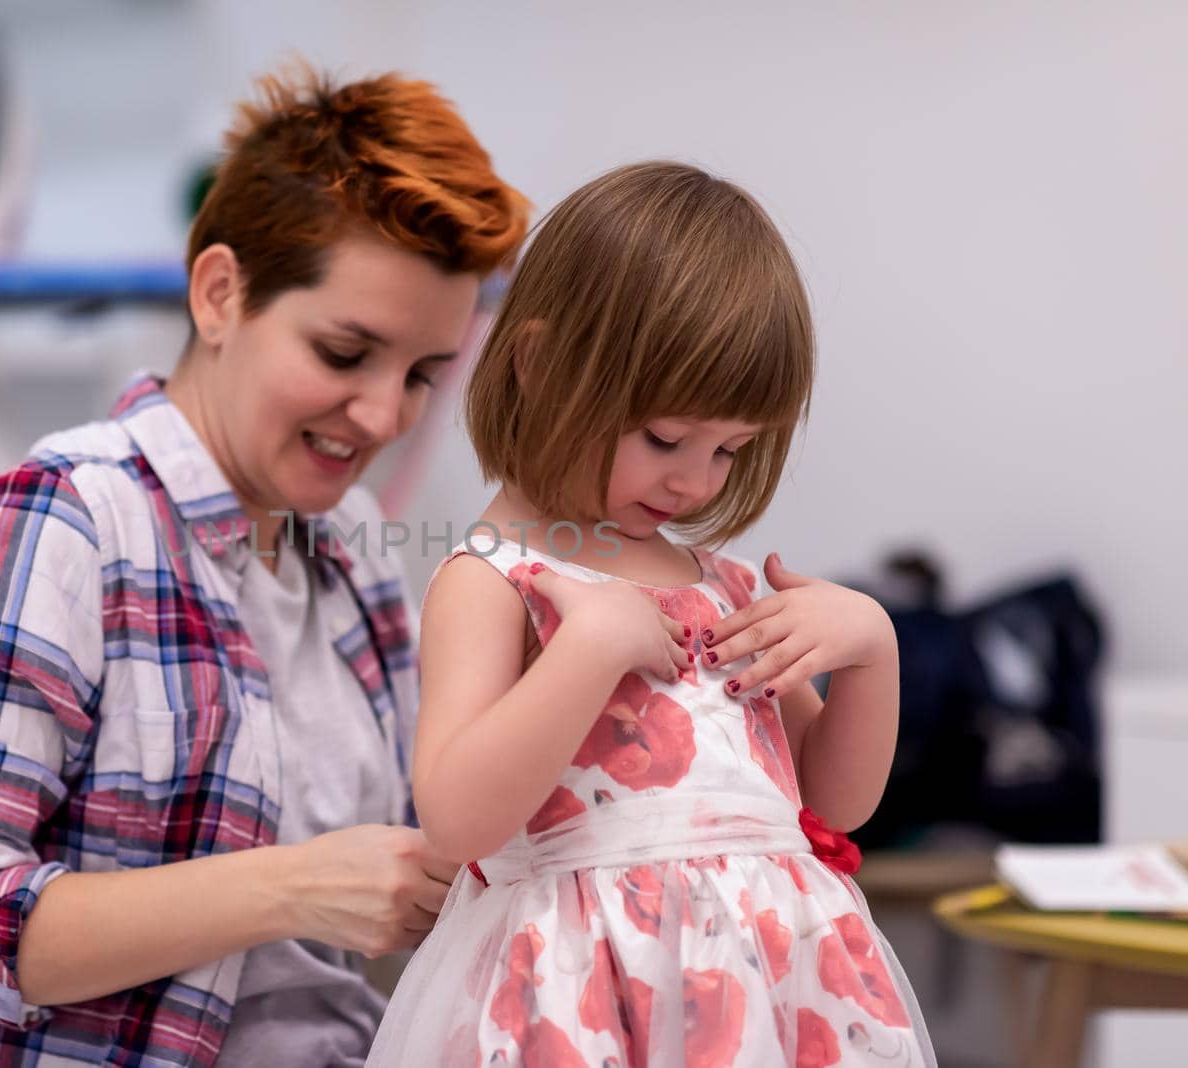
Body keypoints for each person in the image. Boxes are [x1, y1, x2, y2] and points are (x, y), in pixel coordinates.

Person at [0, 67, 528, 1066]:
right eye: (346, 354)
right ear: (219, 294)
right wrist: (285, 887)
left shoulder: (348, 551)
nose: (385, 417)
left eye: (423, 375)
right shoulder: (57, 532)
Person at [366, 162, 936, 1066]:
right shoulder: (496, 578)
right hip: (580, 989)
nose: (695, 481)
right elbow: (455, 819)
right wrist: (585, 650)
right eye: (666, 439)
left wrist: (874, 650)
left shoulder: (726, 586)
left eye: (730, 450)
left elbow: (835, 802)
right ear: (541, 364)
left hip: (769, 982)